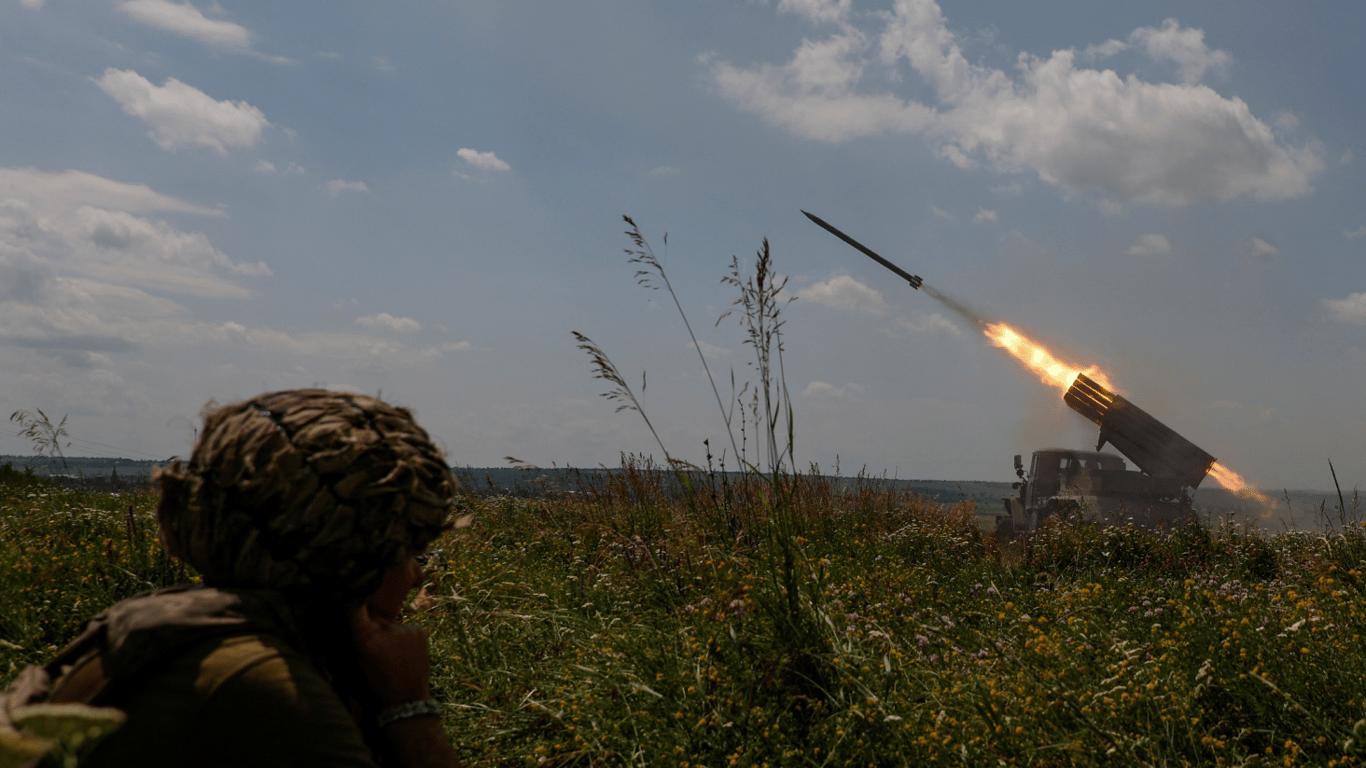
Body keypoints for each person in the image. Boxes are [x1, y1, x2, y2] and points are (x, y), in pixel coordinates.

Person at [76, 389, 461, 767]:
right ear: (350, 559)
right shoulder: (274, 693)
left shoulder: (166, 625)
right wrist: (410, 706)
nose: (415, 576)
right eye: (410, 551)